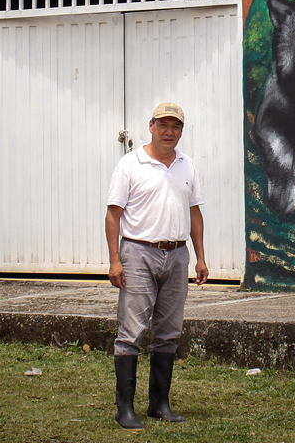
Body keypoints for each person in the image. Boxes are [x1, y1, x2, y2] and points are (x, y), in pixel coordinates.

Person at [105, 102, 208, 429]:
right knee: (131, 331)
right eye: (163, 125)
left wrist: (200, 256)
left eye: (175, 126)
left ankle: (159, 404)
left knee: (168, 332)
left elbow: (194, 213)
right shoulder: (130, 164)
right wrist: (114, 260)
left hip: (177, 255)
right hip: (138, 253)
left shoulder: (186, 165)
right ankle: (125, 409)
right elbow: (113, 215)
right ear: (150, 126)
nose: (169, 132)